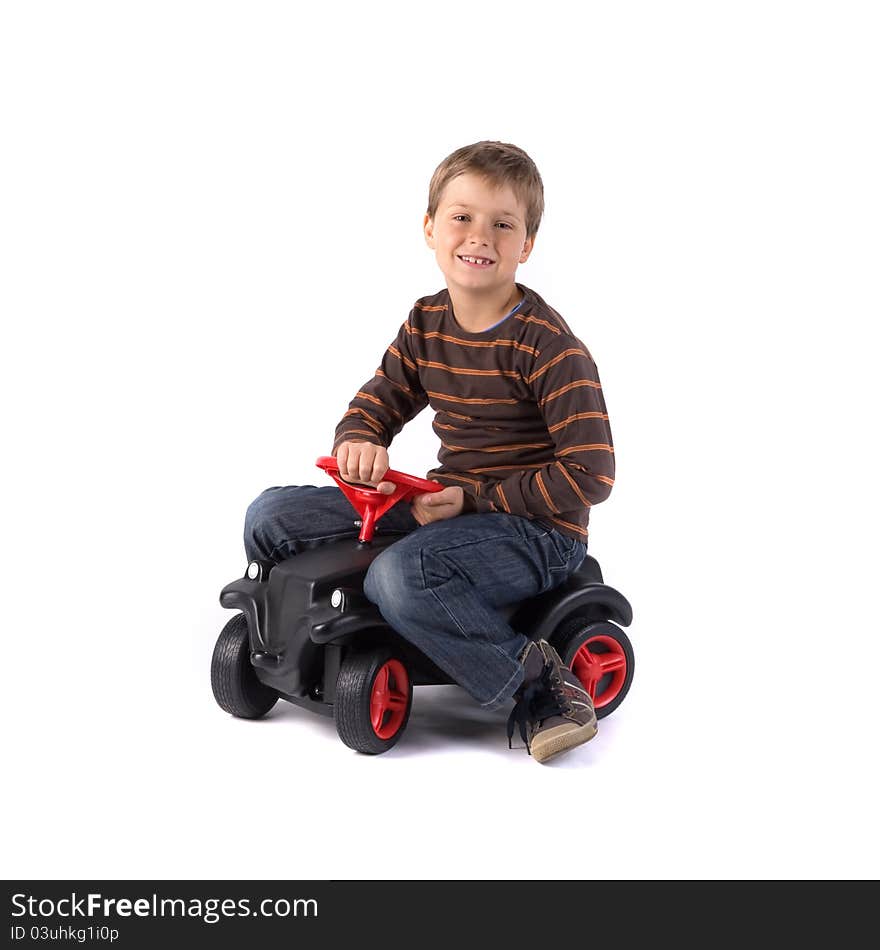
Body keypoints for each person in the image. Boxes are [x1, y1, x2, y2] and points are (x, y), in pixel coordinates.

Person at [244, 140, 615, 764]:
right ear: (430, 228)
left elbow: (591, 474)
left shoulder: (550, 349)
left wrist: (476, 498)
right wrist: (359, 438)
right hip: (445, 505)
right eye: (462, 217)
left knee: (400, 575)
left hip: (534, 531)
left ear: (526, 245)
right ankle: (282, 635)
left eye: (503, 224)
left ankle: (537, 683)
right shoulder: (426, 322)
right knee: (269, 515)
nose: (480, 236)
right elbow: (382, 396)